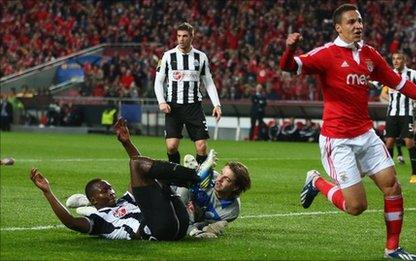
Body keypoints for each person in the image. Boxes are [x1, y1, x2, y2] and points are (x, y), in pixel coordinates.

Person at [279, 4, 416, 260]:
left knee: (392, 186)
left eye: (359, 21)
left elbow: (401, 83)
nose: (358, 26)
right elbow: (288, 66)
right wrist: (290, 49)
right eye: (351, 22)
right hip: (338, 140)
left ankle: (392, 249)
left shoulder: (370, 55)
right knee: (356, 207)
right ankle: (316, 181)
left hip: (366, 135)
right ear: (339, 27)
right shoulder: (326, 54)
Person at [30, 118, 218, 241]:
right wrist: (48, 192)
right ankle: (195, 177)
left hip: (178, 221)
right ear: (94, 200)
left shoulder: (125, 201)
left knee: (151, 173)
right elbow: (71, 222)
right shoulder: (99, 219)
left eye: (110, 188)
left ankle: (194, 178)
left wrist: (127, 143)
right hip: (158, 230)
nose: (111, 191)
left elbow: (141, 169)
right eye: (104, 190)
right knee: (138, 167)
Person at [154, 22, 222, 165]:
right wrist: (162, 101)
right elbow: (158, 82)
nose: (181, 39)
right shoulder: (167, 56)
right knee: (171, 146)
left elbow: (208, 82)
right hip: (173, 106)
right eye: (179, 36)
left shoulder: (201, 57)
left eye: (185, 36)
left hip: (193, 107)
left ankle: (200, 180)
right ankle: (177, 177)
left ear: (192, 37)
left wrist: (217, 105)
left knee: (201, 147)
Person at [177, 153, 251, 238]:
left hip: (192, 215)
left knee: (216, 224)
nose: (219, 179)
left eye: (226, 179)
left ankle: (192, 228)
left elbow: (203, 222)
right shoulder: (210, 176)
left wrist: (207, 226)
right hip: (172, 195)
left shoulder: (232, 211)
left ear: (235, 187)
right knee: (185, 187)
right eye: (221, 173)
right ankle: (191, 173)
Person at [381, 52, 416, 183]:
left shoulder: (412, 74)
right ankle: (389, 175)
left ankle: (414, 174)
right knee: (389, 142)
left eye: (398, 58)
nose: (395, 61)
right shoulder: (389, 73)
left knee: (409, 142)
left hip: (407, 113)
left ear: (404, 60)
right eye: (394, 59)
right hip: (392, 114)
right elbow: (377, 84)